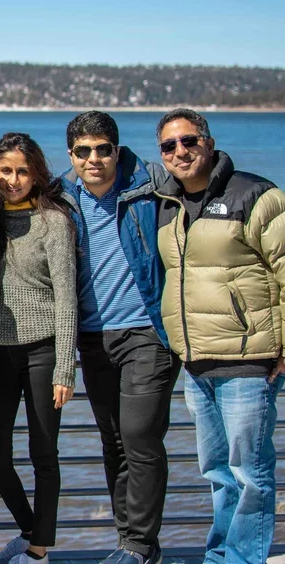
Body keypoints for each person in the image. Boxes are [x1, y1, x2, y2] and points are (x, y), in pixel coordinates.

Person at [154, 108, 285, 564]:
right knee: (217, 473)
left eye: (188, 141)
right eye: (169, 146)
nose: (180, 152)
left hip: (247, 360)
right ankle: (220, 556)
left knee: (250, 473)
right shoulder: (167, 206)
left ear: (208, 142)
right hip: (196, 362)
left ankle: (243, 559)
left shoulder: (255, 194)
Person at [58, 111, 179, 564]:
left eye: (103, 149)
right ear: (71, 155)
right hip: (92, 337)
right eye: (84, 151)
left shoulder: (152, 184)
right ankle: (132, 542)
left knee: (139, 435)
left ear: (116, 149)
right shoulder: (62, 196)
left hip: (148, 330)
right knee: (113, 441)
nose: (94, 159)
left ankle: (139, 545)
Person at [0, 133, 78, 564]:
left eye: (22, 171)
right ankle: (29, 527)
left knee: (44, 452)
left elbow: (66, 296)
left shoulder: (54, 222)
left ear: (36, 173)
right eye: (6, 170)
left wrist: (65, 367)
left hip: (43, 351)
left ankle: (38, 550)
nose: (13, 179)